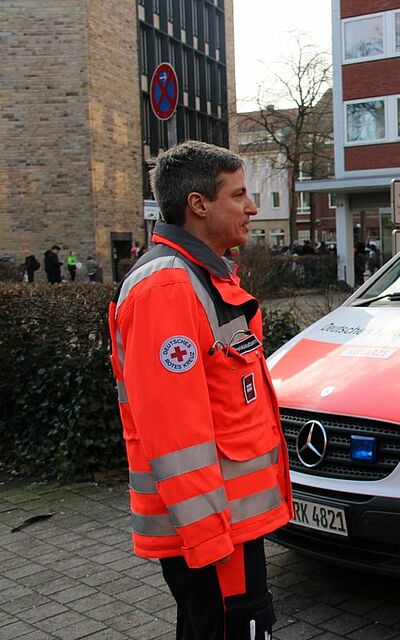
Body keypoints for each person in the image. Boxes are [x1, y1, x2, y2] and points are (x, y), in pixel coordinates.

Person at [108, 140, 292, 640]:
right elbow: (174, 435)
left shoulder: (201, 278)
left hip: (229, 525)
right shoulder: (168, 289)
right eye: (239, 195)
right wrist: (209, 541)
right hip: (213, 536)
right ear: (198, 204)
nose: (252, 207)